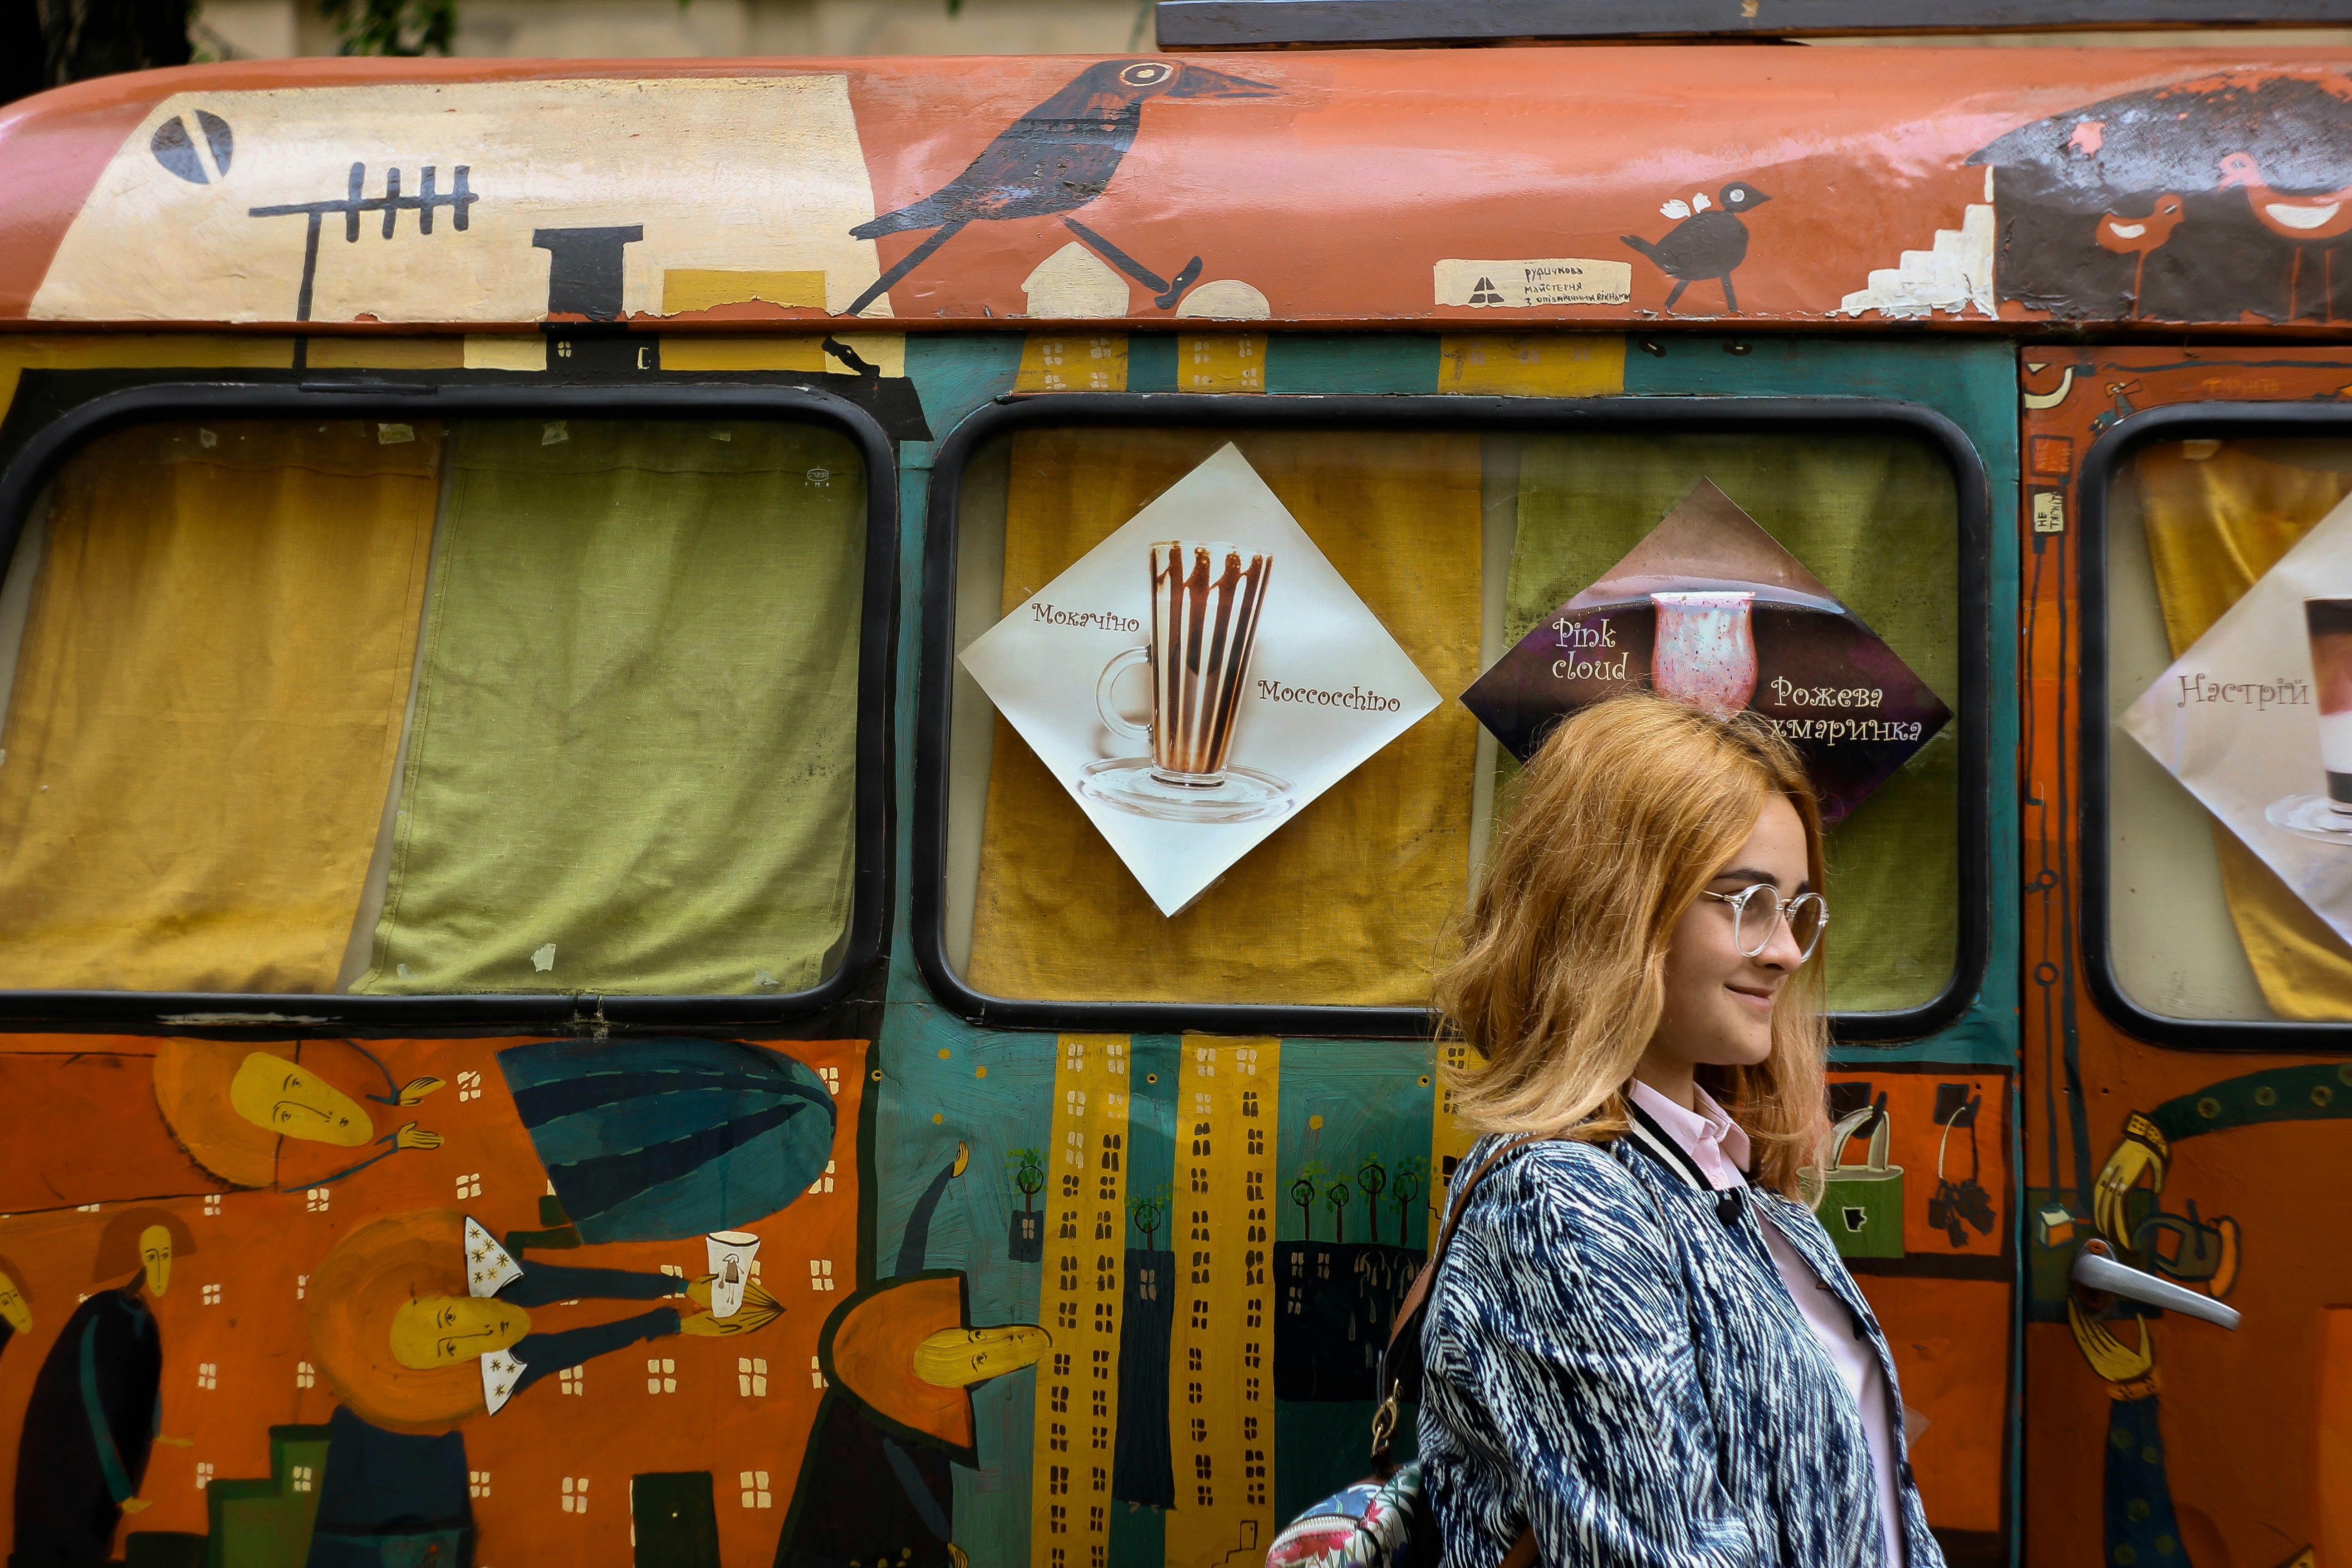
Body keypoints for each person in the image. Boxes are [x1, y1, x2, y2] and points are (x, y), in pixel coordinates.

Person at [1417, 696, 1939, 1568]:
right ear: (1610, 905)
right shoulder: (1562, 1203)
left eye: (1797, 908)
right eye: (1743, 902)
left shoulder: (1742, 1194)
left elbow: (1881, 1511)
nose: (1783, 951)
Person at [305, 1209, 780, 1430]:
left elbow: (593, 1282)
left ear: (442, 1292)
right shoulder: (506, 1373)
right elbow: (589, 1344)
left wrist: (681, 1288)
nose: (474, 1333)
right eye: (449, 1349)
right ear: (448, 1370)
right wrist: (677, 1326)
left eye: (448, 1317)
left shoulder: (500, 1277)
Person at [12, 1210, 190, 1567]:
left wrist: (158, 1430)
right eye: (152, 1256)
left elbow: (148, 1385)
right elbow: (90, 1406)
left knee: (98, 1542)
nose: (161, 1266)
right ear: (135, 1259)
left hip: (113, 1473)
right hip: (72, 1465)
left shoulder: (145, 1317)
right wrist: (121, 1491)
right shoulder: (99, 1316)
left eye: (166, 1255)